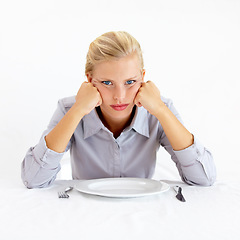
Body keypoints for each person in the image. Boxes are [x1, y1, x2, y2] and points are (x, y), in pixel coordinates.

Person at [21, 31, 216, 188]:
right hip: (85, 212)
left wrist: (161, 111)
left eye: (130, 82)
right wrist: (78, 110)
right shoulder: (69, 110)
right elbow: (34, 179)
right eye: (107, 82)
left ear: (142, 77)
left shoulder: (159, 109)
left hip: (144, 211)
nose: (120, 96)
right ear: (90, 80)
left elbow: (203, 179)